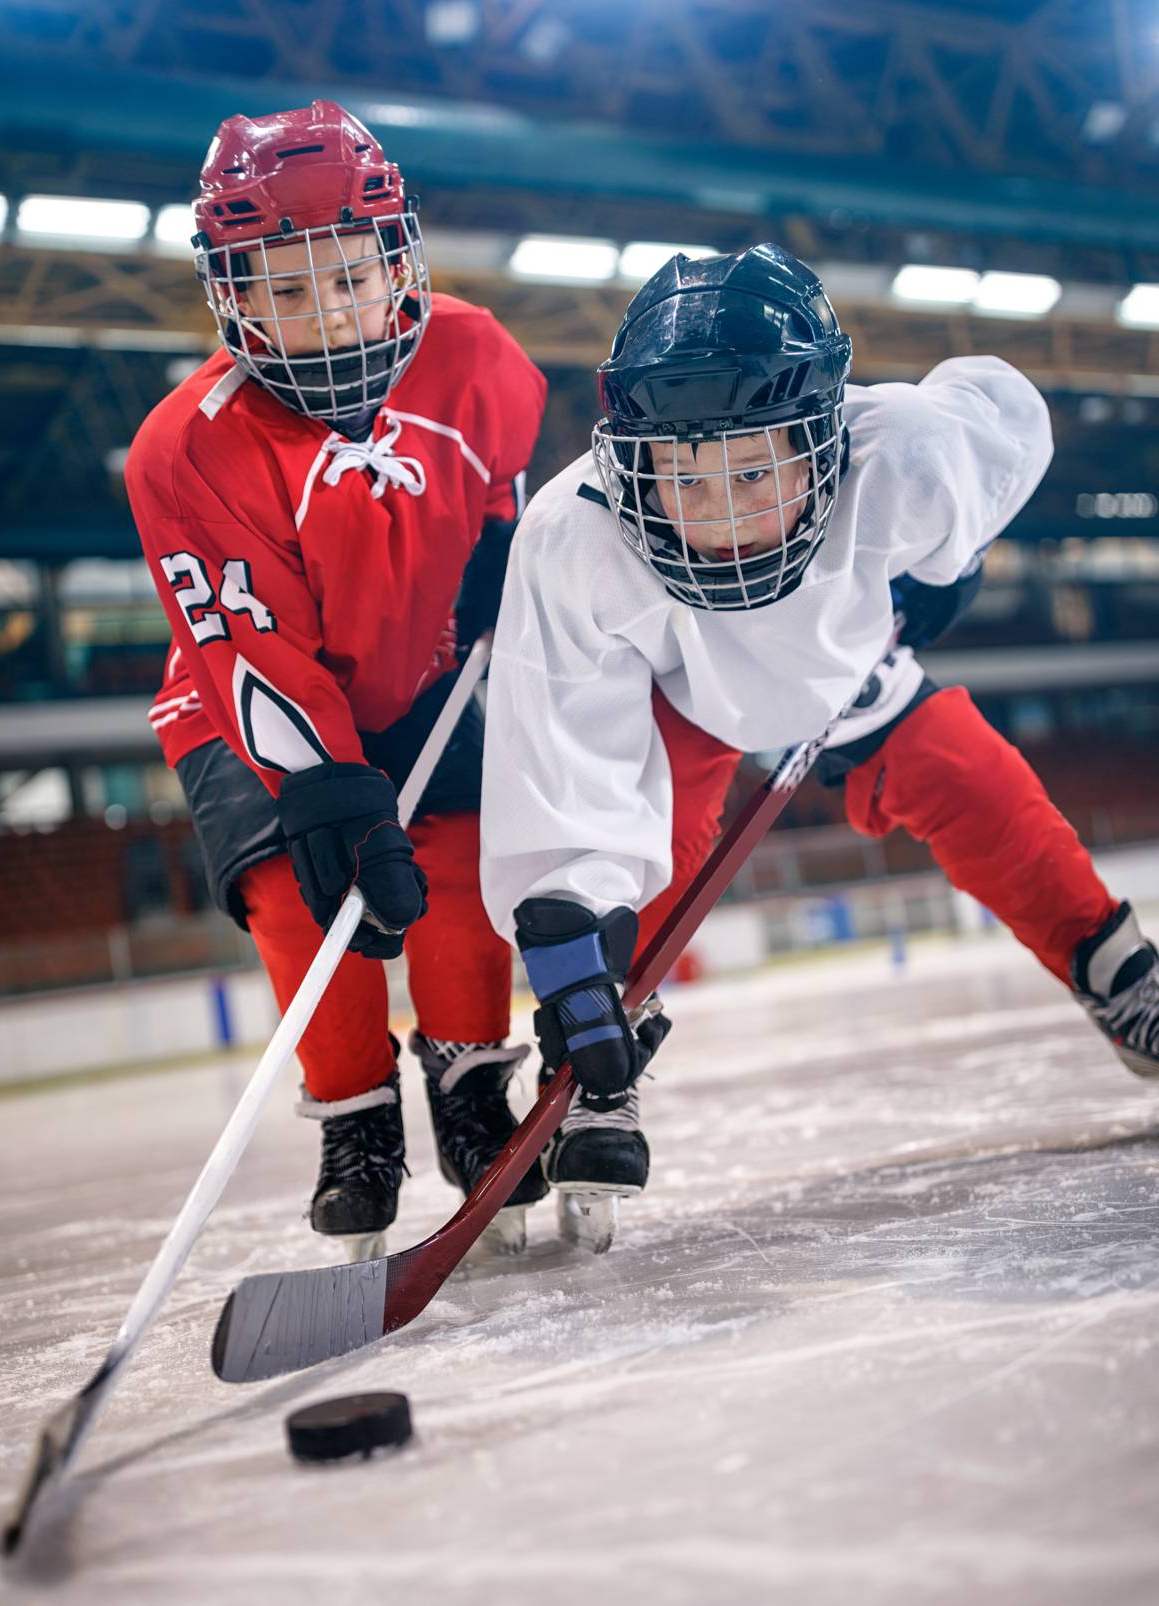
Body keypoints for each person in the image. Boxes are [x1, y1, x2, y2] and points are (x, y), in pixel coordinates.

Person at [479, 244, 1159, 1229]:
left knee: (979, 785)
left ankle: (1120, 973)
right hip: (685, 689)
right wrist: (573, 975)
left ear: (824, 441)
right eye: (686, 478)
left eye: (754, 472)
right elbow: (570, 778)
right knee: (642, 853)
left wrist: (945, 556)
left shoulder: (905, 450)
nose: (723, 520)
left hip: (844, 667)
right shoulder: (570, 536)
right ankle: (598, 1059)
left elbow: (1002, 422)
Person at [127, 100, 549, 1257]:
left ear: (397, 258)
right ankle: (356, 1121)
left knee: (462, 859)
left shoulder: (478, 359)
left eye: (351, 274)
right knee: (301, 890)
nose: (329, 312)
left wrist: (498, 561)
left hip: (421, 666)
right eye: (287, 284)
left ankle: (469, 1088)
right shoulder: (186, 447)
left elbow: (501, 485)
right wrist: (327, 785)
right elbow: (244, 644)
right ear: (234, 294)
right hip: (244, 692)